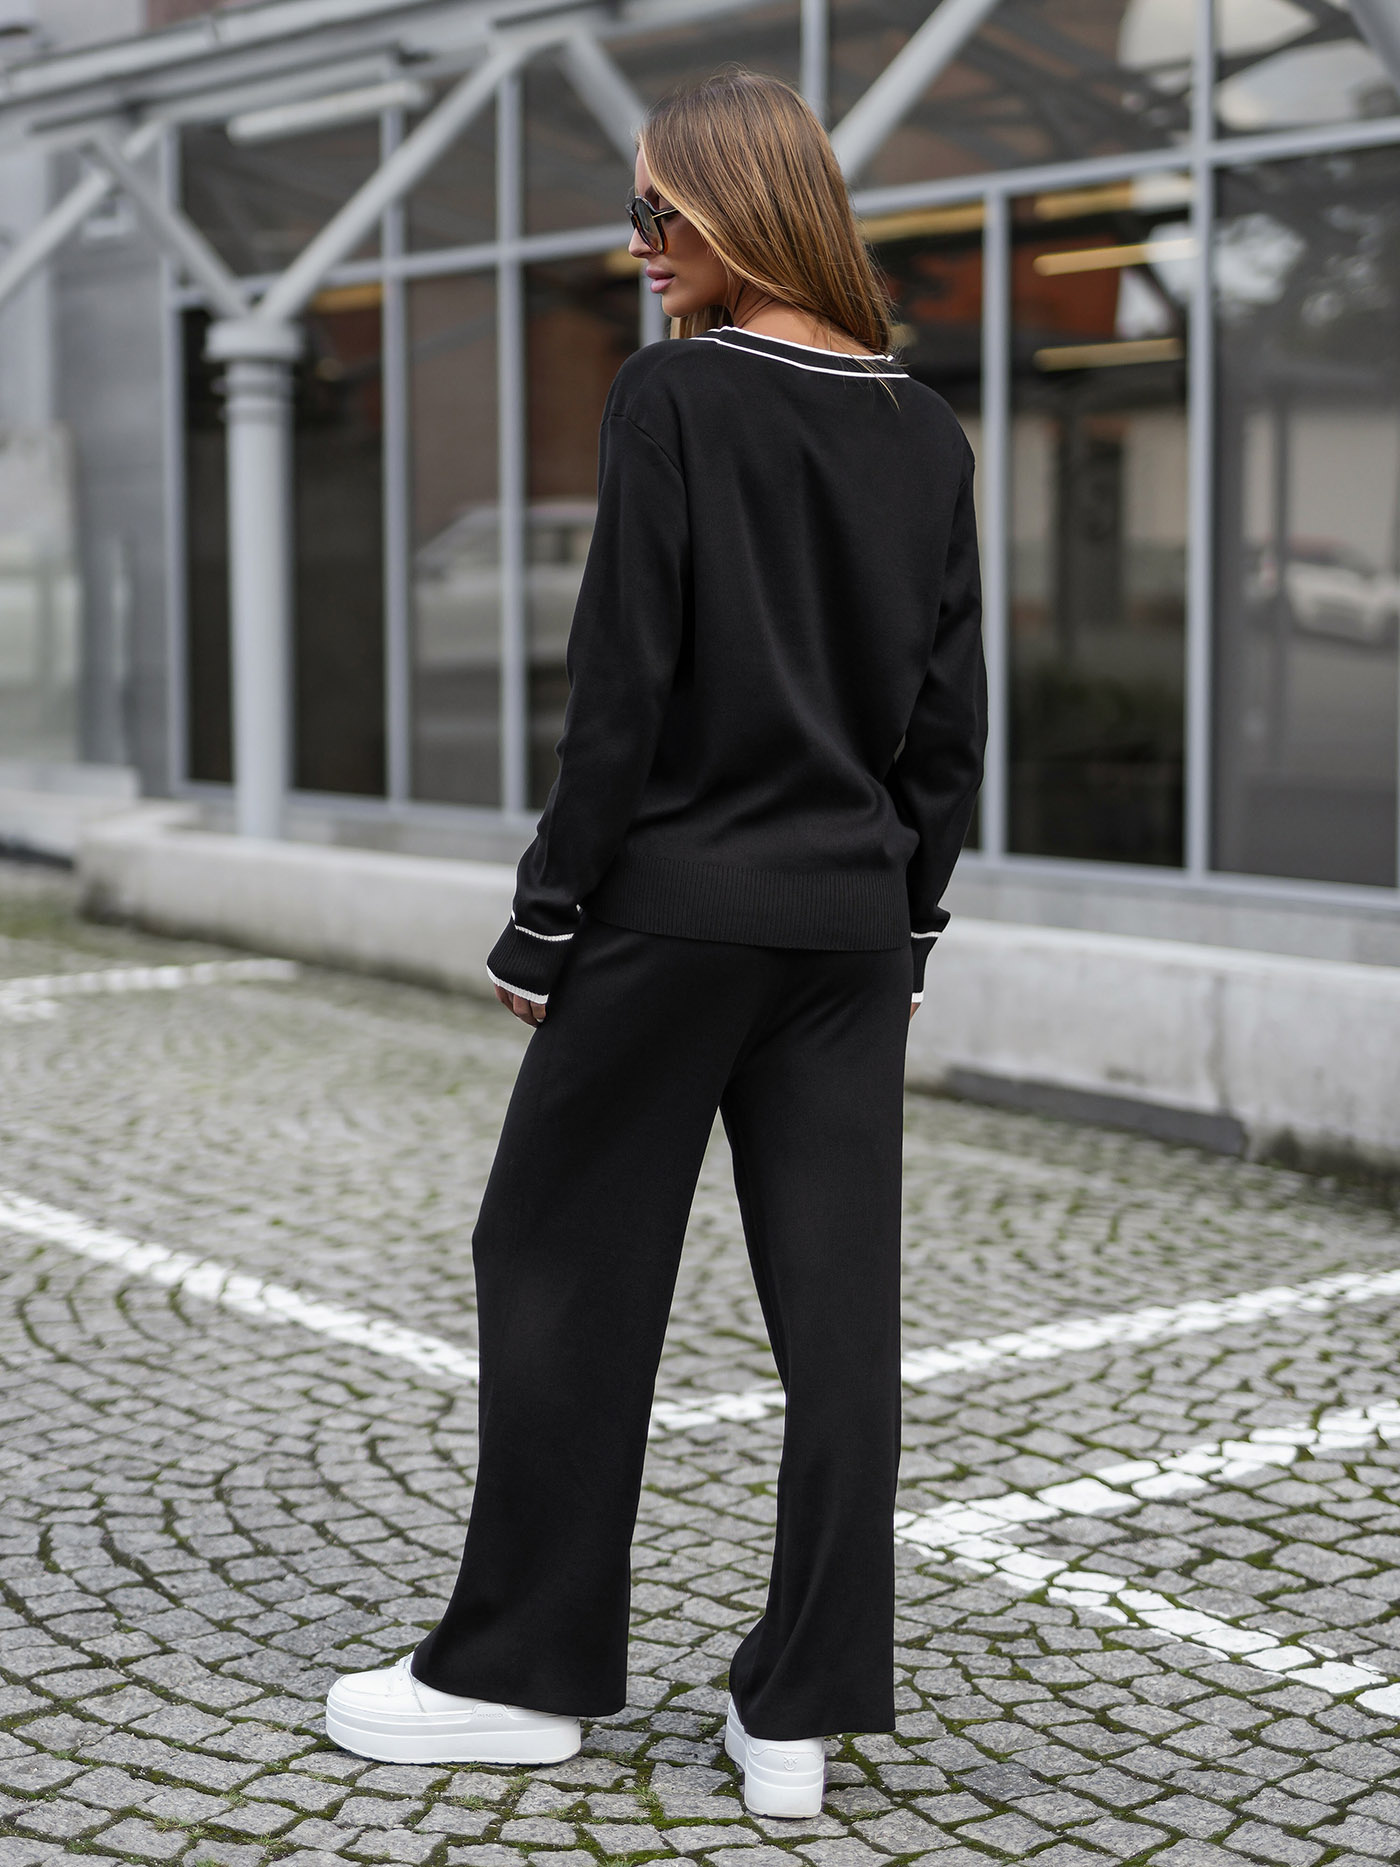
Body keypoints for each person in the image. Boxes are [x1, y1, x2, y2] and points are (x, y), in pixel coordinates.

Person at [325, 66, 985, 1819]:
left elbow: (623, 680)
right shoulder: (926, 430)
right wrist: (909, 918)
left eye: (656, 213)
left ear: (740, 209)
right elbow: (944, 721)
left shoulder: (677, 397)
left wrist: (546, 915)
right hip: (847, 932)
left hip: (675, 916)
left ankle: (515, 1677)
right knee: (840, 1319)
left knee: (553, 1260)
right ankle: (799, 1714)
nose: (637, 248)